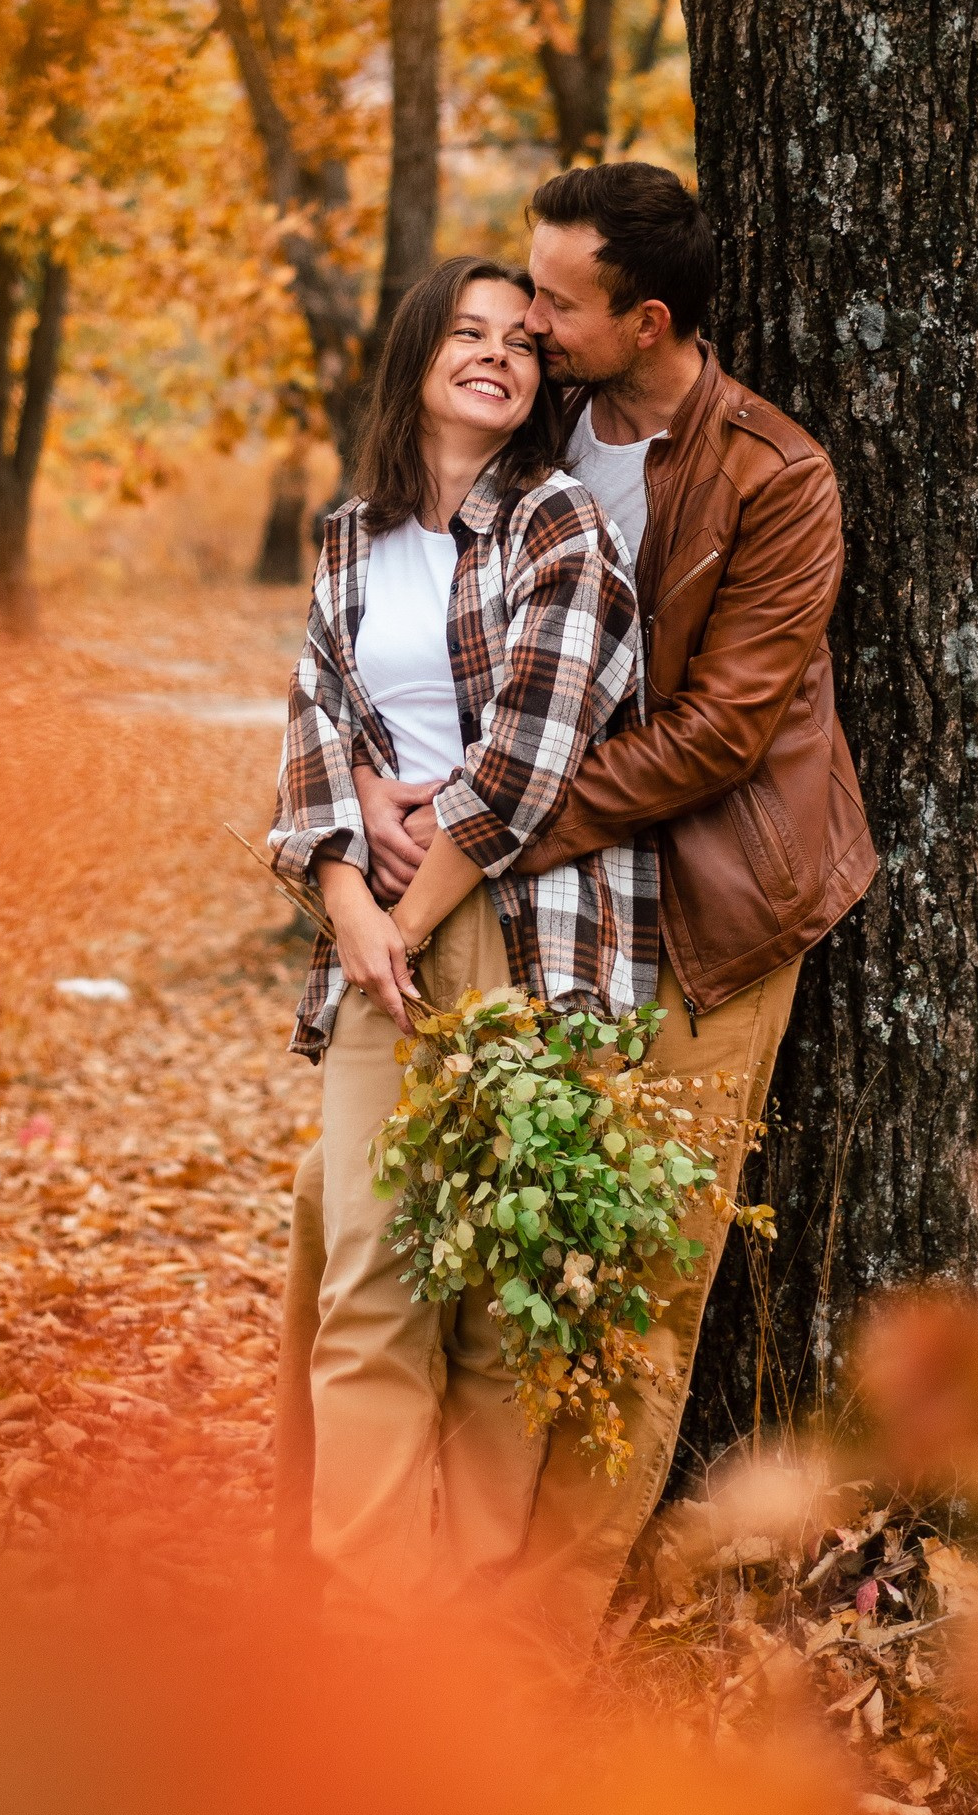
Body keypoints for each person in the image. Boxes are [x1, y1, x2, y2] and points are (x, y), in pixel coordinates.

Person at [348, 163, 878, 1659]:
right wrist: (384, 798)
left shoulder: (777, 477)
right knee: (520, 1260)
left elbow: (718, 734)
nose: (527, 319)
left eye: (558, 301)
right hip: (558, 915)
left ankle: (535, 1642)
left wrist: (486, 822)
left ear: (645, 320)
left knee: (639, 1289)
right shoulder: (545, 427)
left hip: (714, 919)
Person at [266, 253, 654, 1617]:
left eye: (521, 340)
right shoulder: (345, 538)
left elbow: (534, 752)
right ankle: (365, 1618)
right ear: (420, 353)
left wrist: (410, 909)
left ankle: (479, 1613)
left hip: (523, 926)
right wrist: (349, 899)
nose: (497, 352)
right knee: (371, 1262)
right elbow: (314, 727)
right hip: (376, 928)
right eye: (468, 332)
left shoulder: (560, 528)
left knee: (502, 1291)